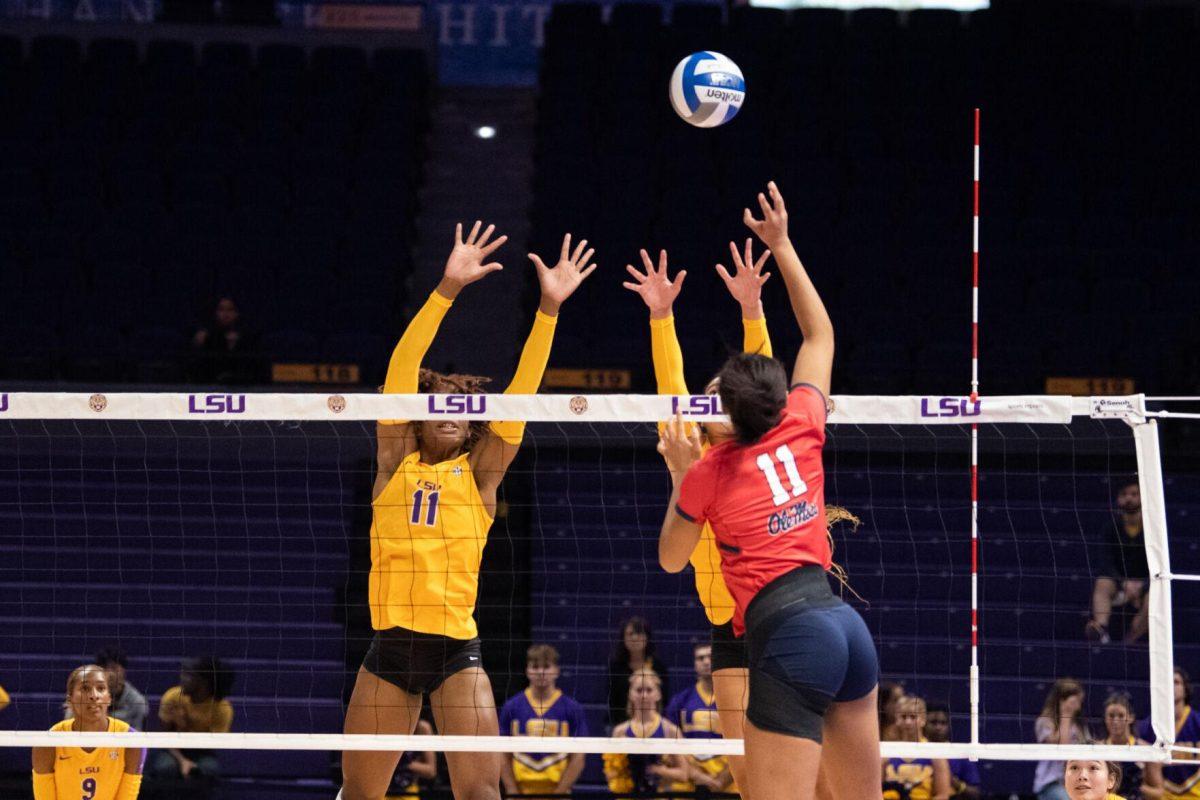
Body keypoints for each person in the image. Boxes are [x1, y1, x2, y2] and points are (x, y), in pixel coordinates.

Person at [339, 222, 596, 800]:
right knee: (360, 793)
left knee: (481, 793)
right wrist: (447, 289)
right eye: (438, 403)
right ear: (419, 414)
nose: (451, 410)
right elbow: (400, 371)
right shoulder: (394, 463)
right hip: (390, 650)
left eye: (462, 404)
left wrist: (549, 309)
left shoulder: (481, 475)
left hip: (458, 651)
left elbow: (523, 395)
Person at [657, 181, 882, 800]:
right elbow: (819, 337)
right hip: (844, 627)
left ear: (725, 417)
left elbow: (672, 558)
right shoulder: (801, 421)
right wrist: (782, 244)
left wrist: (680, 473)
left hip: (788, 635)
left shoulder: (709, 471)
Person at [623, 238, 774, 792]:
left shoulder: (762, 449)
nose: (717, 401)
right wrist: (661, 316)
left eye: (727, 396)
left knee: (795, 761)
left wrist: (752, 309)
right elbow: (671, 386)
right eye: (709, 396)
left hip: (778, 617)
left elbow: (766, 377)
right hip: (727, 628)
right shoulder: (695, 455)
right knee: (744, 770)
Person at [31, 664, 145, 800]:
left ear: (109, 698)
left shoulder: (131, 742)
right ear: (70, 699)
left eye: (101, 688)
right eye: (85, 688)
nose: (94, 695)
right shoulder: (47, 744)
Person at [499, 644, 588, 796]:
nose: (541, 672)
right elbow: (501, 753)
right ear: (527, 670)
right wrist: (512, 790)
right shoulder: (511, 706)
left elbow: (579, 756)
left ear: (557, 671)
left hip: (559, 792)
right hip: (519, 792)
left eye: (546, 666)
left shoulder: (572, 708)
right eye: (535, 666)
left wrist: (559, 793)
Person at [150, 656, 235, 791]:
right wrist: (182, 760)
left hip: (202, 752)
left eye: (188, 675)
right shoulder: (172, 696)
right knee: (165, 767)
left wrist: (185, 729)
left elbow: (212, 745)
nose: (182, 679)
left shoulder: (222, 708)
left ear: (204, 682)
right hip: (171, 748)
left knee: (209, 769)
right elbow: (164, 737)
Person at [604, 668, 690, 795]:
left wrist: (659, 770)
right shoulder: (620, 731)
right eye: (639, 690)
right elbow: (610, 775)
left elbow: (684, 774)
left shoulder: (670, 730)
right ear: (630, 694)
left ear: (658, 694)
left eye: (649, 690)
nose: (644, 695)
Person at [665, 644, 734, 794]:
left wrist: (722, 779)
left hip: (727, 779)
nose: (706, 662)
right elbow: (671, 744)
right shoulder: (680, 701)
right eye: (700, 658)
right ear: (695, 664)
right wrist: (697, 775)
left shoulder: (735, 701)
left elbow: (744, 744)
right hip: (690, 778)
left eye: (710, 657)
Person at [1087, 479, 1149, 643]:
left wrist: (1143, 584)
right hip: (1120, 581)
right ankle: (1101, 629)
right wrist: (1124, 583)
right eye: (1124, 494)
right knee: (1102, 583)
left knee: (1155, 596)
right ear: (1118, 499)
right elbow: (1106, 561)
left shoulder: (1153, 527)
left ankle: (1133, 637)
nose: (1129, 498)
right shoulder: (1110, 527)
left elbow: (1160, 564)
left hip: (1147, 582)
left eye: (1134, 494)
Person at [1137, 668, 1199, 800]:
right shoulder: (1147, 727)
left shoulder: (1197, 723)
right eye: (1167, 683)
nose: (1171, 687)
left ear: (1185, 689)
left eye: (1176, 682)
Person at [882, 695, 951, 800]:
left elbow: (942, 795)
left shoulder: (935, 755)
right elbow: (874, 791)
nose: (908, 722)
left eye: (913, 717)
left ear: (923, 720)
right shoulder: (887, 753)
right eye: (904, 717)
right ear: (897, 719)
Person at [65, 647, 148, 732]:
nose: (109, 673)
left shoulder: (137, 702)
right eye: (105, 668)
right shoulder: (79, 700)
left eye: (114, 668)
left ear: (123, 671)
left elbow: (136, 739)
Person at [1033, 679, 1090, 800]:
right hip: (1050, 783)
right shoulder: (1044, 722)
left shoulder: (1079, 725)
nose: (1079, 706)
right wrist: (1066, 714)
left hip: (1075, 780)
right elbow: (1062, 750)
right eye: (1077, 701)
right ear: (1062, 700)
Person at [607, 617, 668, 728]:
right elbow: (612, 703)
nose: (635, 637)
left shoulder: (658, 667)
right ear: (623, 638)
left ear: (647, 637)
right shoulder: (615, 667)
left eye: (639, 633)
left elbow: (665, 700)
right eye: (630, 634)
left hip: (654, 724)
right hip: (621, 723)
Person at [1099, 693, 1162, 800]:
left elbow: (1159, 793)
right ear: (1105, 718)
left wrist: (1137, 787)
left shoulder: (1145, 750)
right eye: (1111, 716)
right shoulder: (1098, 750)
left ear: (1131, 718)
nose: (1115, 721)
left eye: (1120, 715)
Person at [924, 702, 980, 800]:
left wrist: (953, 782)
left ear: (949, 725)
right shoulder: (915, 752)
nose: (938, 727)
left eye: (943, 723)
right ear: (923, 723)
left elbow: (975, 794)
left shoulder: (960, 754)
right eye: (933, 722)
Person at [191, 296, 254, 384]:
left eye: (230, 310)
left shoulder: (248, 339)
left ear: (237, 313)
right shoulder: (206, 337)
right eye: (221, 309)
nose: (226, 314)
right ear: (215, 313)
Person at [386, 718, 436, 800]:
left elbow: (431, 771)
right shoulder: (385, 724)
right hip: (384, 790)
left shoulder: (421, 727)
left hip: (408, 792)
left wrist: (404, 763)